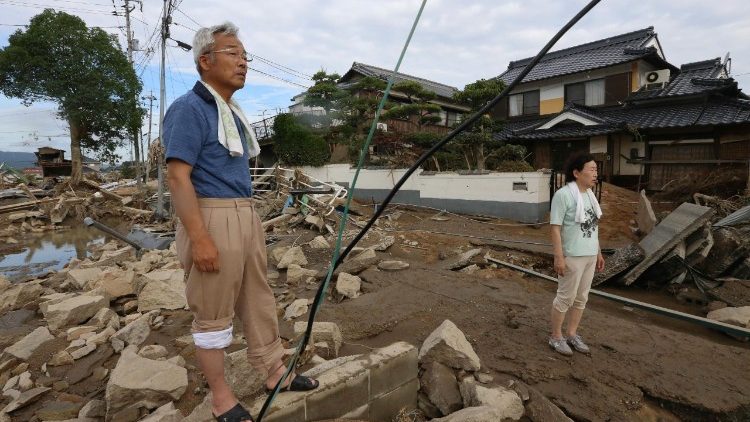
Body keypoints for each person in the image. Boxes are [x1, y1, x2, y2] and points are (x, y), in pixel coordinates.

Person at [163, 22, 318, 422]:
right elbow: (178, 176)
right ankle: (220, 398)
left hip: (244, 215)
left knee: (258, 299)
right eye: (233, 52)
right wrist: (199, 238)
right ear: (205, 61)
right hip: (211, 215)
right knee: (213, 310)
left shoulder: (230, 111)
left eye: (244, 54)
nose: (243, 61)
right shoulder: (189, 108)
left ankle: (275, 372)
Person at [548, 152, 605, 356]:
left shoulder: (590, 196)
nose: (595, 173)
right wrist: (558, 256)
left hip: (589, 255)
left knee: (581, 298)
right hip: (572, 255)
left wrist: (598, 252)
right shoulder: (564, 195)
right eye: (591, 169)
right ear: (576, 173)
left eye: (596, 169)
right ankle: (555, 336)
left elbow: (593, 226)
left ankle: (572, 334)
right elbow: (555, 227)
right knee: (565, 298)